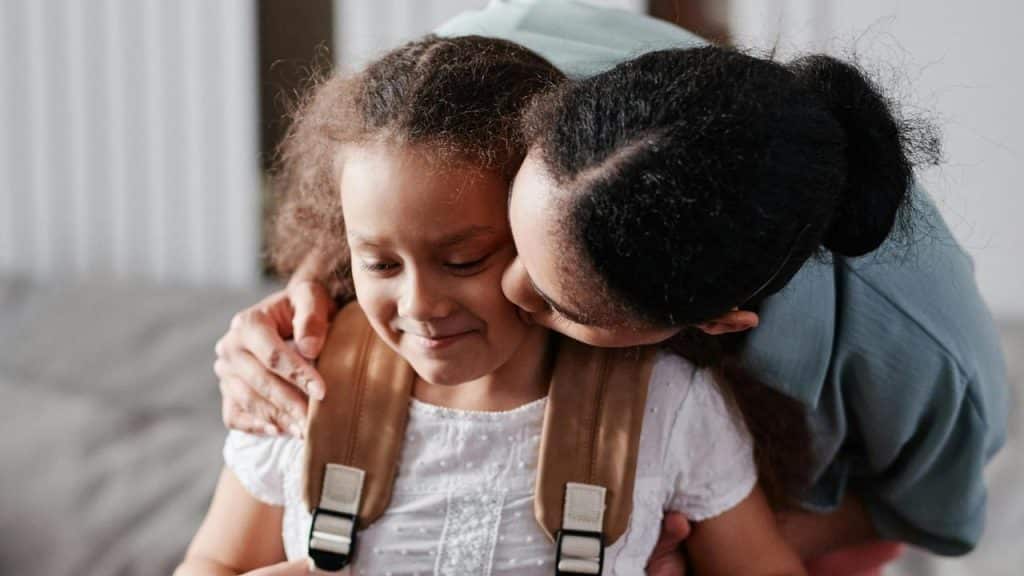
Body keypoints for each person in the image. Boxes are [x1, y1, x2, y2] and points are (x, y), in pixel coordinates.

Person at [212, 2, 1008, 574]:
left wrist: (682, 543)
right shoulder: (498, 62)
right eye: (508, 242)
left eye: (560, 305)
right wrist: (316, 284)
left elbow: (928, 517)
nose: (514, 291)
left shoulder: (926, 350)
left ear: (708, 324)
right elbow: (384, 174)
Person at [180, 34, 807, 576]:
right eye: (381, 264)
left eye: (464, 261)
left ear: (548, 233)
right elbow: (212, 560)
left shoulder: (664, 405)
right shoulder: (306, 385)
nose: (420, 303)